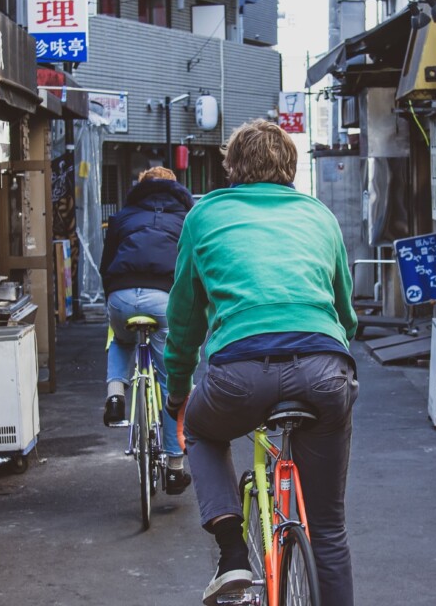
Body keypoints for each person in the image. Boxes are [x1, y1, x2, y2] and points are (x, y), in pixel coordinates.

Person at [163, 120, 359, 606]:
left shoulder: (204, 217)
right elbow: (346, 313)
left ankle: (232, 556)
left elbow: (184, 319)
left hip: (238, 372)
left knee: (203, 433)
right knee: (329, 529)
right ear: (290, 167)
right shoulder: (320, 216)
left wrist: (177, 392)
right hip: (323, 367)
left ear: (232, 166)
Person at [99, 165, 195, 494]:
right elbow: (191, 268)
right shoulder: (187, 219)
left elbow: (106, 263)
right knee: (172, 382)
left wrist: (111, 300)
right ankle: (174, 466)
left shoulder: (123, 216)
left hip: (122, 295)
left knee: (120, 338)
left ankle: (115, 395)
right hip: (163, 298)